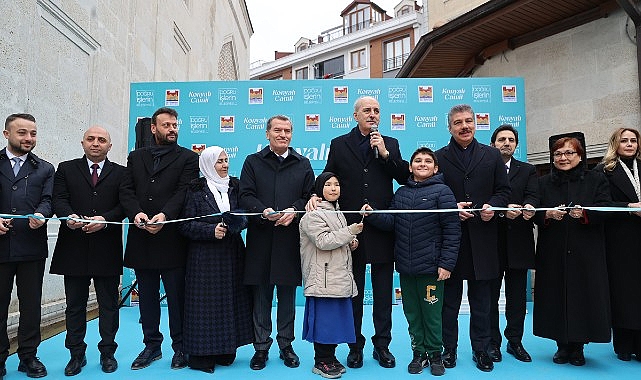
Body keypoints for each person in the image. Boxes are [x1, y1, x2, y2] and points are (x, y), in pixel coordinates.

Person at [308, 96, 409, 369]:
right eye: (367, 110)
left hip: (382, 228)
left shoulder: (391, 144)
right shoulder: (340, 144)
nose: (373, 114)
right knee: (352, 292)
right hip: (349, 230)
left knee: (383, 293)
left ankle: (382, 345)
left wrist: (386, 155)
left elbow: (404, 177)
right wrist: (315, 195)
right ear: (356, 115)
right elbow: (328, 175)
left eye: (377, 111)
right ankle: (355, 346)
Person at [363, 147, 460, 376]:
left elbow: (452, 231)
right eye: (418, 160)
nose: (422, 164)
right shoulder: (402, 193)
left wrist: (446, 264)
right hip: (406, 269)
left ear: (436, 168)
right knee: (413, 314)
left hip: (432, 269)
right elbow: (391, 222)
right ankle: (419, 354)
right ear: (410, 166)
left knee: (432, 314)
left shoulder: (443, 192)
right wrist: (373, 214)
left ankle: (436, 354)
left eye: (428, 161)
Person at [119, 107, 199, 371]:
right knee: (148, 297)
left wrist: (164, 215)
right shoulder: (135, 157)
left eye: (175, 125)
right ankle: (151, 346)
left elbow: (184, 191)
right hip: (142, 236)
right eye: (166, 125)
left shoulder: (188, 158)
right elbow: (127, 190)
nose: (172, 129)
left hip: (172, 238)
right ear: (153, 128)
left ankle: (181, 347)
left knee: (177, 298)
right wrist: (137, 214)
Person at [435, 104, 510, 372]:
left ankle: (482, 349)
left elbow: (504, 191)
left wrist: (492, 206)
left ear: (476, 123)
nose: (464, 126)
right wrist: (451, 209)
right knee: (449, 303)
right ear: (450, 127)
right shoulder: (438, 157)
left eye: (468, 121)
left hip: (484, 240)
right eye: (458, 122)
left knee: (482, 302)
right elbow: (432, 194)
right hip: (451, 242)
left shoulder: (492, 155)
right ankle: (449, 350)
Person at [239, 115, 315, 370]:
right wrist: (263, 211)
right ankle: (261, 348)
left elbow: (309, 198)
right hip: (261, 238)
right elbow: (245, 195)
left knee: (286, 297)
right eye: (278, 130)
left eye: (287, 131)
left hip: (289, 239)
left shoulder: (303, 163)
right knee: (260, 296)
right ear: (267, 133)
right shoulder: (253, 162)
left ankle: (286, 345)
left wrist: (294, 211)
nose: (283, 135)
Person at [50, 126, 125, 376]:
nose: (96, 143)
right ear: (82, 143)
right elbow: (58, 198)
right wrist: (67, 215)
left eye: (102, 140)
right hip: (74, 246)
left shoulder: (121, 173)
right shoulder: (65, 168)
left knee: (108, 305)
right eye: (91, 139)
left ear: (109, 146)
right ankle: (76, 354)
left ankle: (107, 353)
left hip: (107, 247)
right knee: (74, 306)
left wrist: (106, 219)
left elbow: (124, 205)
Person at [533, 136, 611, 366]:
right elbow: (534, 209)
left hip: (585, 249)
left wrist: (585, 214)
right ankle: (561, 345)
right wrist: (546, 215)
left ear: (580, 155)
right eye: (558, 154)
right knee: (555, 295)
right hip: (553, 249)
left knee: (582, 295)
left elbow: (606, 208)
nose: (563, 158)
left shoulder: (597, 179)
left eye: (569, 153)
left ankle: (578, 347)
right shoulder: (543, 182)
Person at [177, 146, 253, 373]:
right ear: (208, 165)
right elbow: (185, 224)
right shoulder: (195, 190)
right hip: (204, 257)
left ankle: (225, 349)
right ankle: (201, 356)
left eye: (226, 160)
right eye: (219, 161)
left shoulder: (235, 186)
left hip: (232, 254)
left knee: (229, 302)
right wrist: (210, 231)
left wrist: (232, 224)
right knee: (204, 307)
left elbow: (245, 214)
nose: (224, 165)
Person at [0, 113, 54, 379]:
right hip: (0, 247)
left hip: (31, 246)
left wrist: (42, 215)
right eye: (22, 133)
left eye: (32, 133)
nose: (28, 138)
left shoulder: (45, 168)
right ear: (6, 134)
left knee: (31, 305)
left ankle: (28, 357)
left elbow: (48, 199)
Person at [299, 172, 362, 379]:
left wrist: (350, 242)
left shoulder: (337, 212)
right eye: (328, 185)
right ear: (319, 189)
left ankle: (330, 358)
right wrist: (351, 231)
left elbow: (337, 240)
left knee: (335, 322)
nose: (334, 188)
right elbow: (324, 241)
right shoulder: (313, 214)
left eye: (336, 184)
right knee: (325, 323)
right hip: (323, 279)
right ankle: (321, 361)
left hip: (337, 277)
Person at [487, 124, 538, 363]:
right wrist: (501, 212)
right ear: (493, 144)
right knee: (489, 298)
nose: (506, 143)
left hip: (519, 241)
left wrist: (529, 207)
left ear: (516, 144)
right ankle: (492, 343)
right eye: (501, 139)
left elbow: (534, 196)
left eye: (510, 140)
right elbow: (483, 201)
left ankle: (515, 342)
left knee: (517, 298)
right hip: (491, 242)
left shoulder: (528, 170)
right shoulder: (485, 168)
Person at [595, 128, 641, 361]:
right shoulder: (604, 171)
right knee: (624, 292)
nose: (630, 144)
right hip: (619, 240)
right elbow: (600, 204)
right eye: (625, 141)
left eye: (634, 140)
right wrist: (629, 208)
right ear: (616, 144)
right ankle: (623, 345)